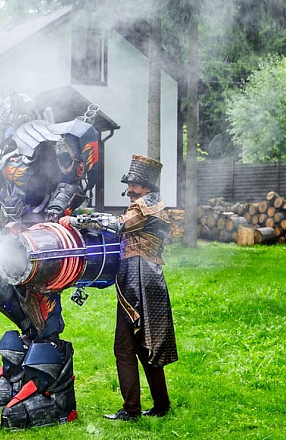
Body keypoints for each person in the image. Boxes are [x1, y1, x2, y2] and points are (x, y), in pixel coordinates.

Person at [0, 92, 101, 429]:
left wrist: (56, 209)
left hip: (43, 240)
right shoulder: (3, 148)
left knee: (43, 307)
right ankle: (17, 372)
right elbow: (0, 192)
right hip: (13, 240)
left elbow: (69, 182)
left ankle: (51, 388)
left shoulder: (45, 144)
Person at [59, 154, 178, 421]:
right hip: (148, 278)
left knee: (124, 347)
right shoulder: (152, 205)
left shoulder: (144, 208)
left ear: (146, 187)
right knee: (145, 346)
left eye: (134, 185)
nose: (129, 190)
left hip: (138, 278)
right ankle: (161, 405)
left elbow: (116, 224)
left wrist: (76, 221)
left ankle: (132, 410)